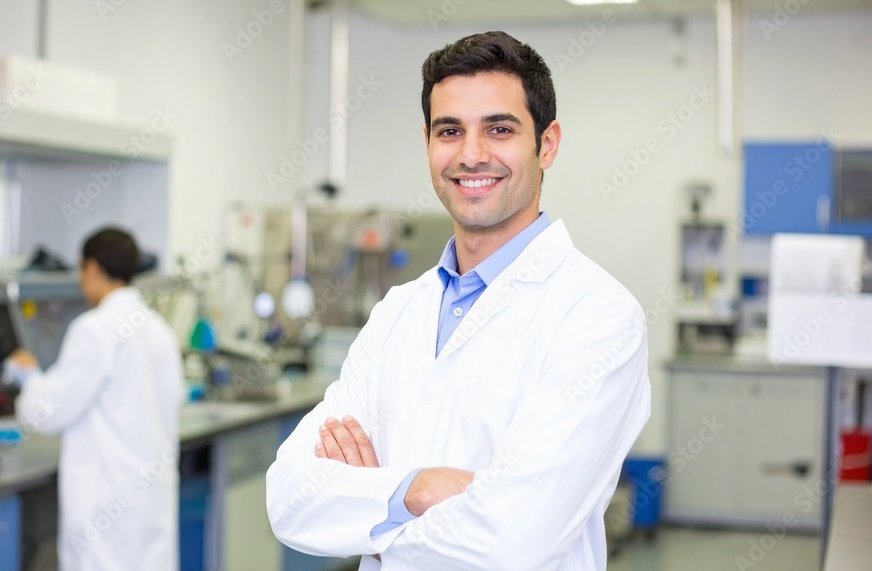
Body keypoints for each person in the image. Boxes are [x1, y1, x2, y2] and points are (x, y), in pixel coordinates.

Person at [266, 31, 651, 570]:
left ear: (547, 143)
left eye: (499, 128)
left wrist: (370, 523)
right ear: (428, 142)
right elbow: (289, 498)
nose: (471, 155)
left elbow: (516, 536)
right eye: (450, 130)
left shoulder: (596, 316)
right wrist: (418, 489)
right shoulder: (399, 311)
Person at [9, 227, 183, 571]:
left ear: (90, 268)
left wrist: (29, 378)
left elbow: (47, 412)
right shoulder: (158, 329)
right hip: (149, 502)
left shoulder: (95, 329)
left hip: (108, 507)